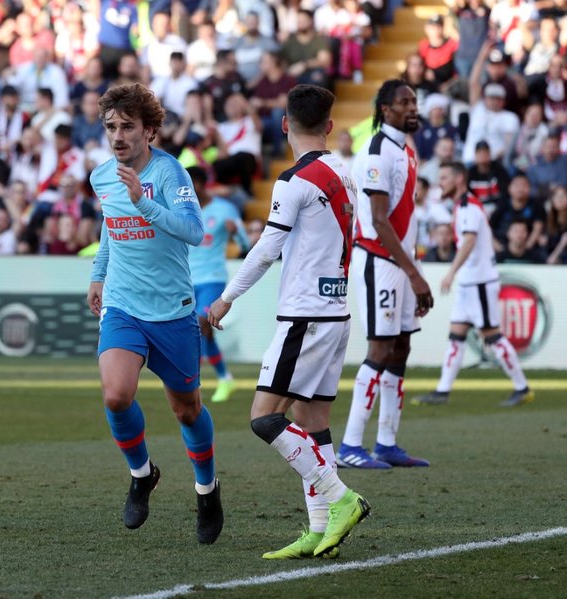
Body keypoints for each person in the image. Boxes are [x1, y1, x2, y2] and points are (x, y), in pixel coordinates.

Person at [208, 83, 369, 560]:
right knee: (311, 420)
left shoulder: (294, 181)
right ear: (330, 126)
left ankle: (340, 498)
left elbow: (266, 249)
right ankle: (322, 530)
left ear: (284, 125)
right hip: (336, 313)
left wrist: (227, 297)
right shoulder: (346, 171)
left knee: (264, 418)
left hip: (305, 317)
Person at [86, 82, 223, 544]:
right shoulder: (102, 176)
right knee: (116, 395)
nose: (118, 135)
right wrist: (98, 274)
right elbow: (110, 228)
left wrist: (143, 201)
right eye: (111, 127)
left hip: (172, 310)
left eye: (128, 127)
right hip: (124, 305)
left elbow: (192, 231)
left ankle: (207, 489)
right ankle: (142, 474)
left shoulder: (171, 175)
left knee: (186, 411)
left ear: (150, 130)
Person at [337, 79, 433, 470]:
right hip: (379, 261)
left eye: (414, 100)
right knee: (379, 348)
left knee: (401, 347)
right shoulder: (377, 151)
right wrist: (414, 273)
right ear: (385, 109)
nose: (413, 107)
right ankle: (349, 445)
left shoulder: (404, 149)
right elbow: (378, 220)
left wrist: (412, 266)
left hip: (400, 261)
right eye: (404, 102)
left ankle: (387, 442)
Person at [413, 163, 533, 408]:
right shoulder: (463, 206)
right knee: (456, 336)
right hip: (471, 283)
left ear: (459, 180)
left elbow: (469, 241)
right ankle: (442, 391)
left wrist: (450, 272)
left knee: (492, 336)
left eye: (444, 177)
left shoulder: (469, 206)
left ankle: (522, 387)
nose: (440, 182)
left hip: (479, 281)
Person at [186, 166, 248, 404]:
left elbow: (244, 243)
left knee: (203, 323)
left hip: (212, 278)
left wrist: (236, 233)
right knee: (196, 331)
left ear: (201, 185)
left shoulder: (224, 209)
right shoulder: (182, 209)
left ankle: (222, 377)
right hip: (185, 280)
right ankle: (219, 379)